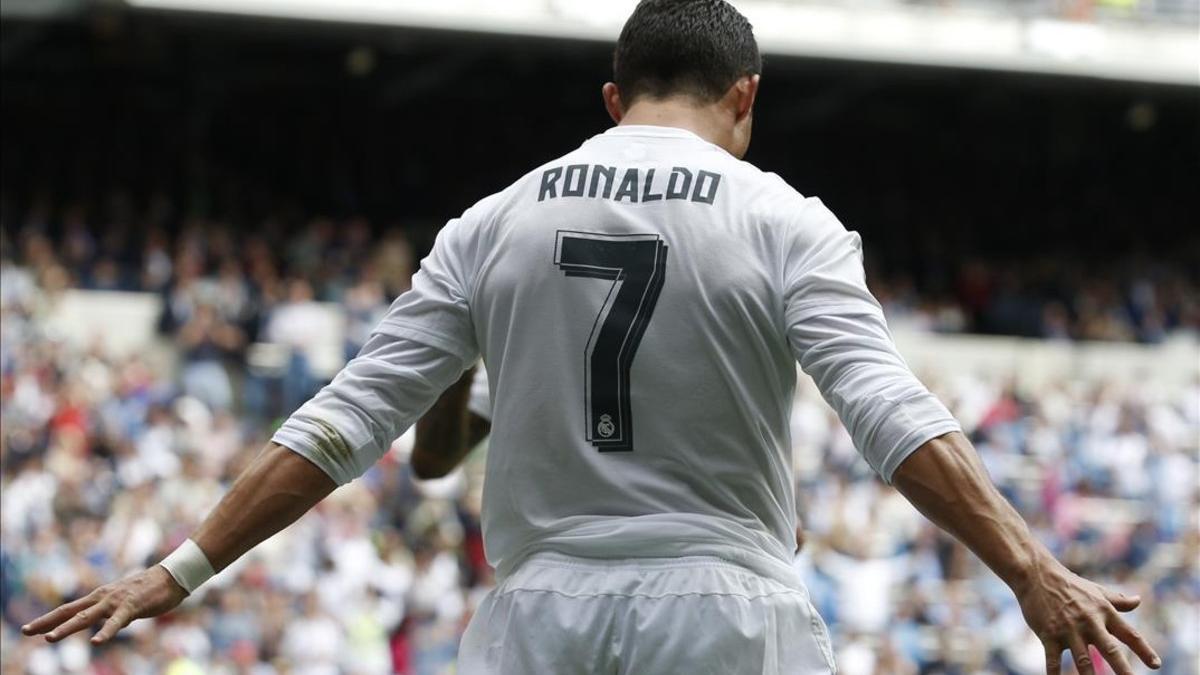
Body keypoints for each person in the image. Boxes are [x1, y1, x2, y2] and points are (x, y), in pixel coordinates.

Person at [22, 1, 1161, 673]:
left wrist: (181, 567)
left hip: (535, 619)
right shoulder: (785, 221)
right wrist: (1033, 568)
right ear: (747, 99)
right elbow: (889, 415)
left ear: (612, 97)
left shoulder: (493, 222)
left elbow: (345, 424)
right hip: (725, 614)